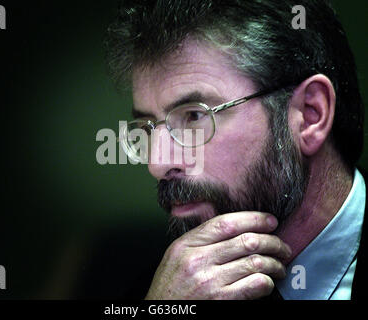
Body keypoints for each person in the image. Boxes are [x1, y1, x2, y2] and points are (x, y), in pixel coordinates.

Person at [105, 0, 366, 300]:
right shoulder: (160, 289)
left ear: (310, 115)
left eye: (193, 116)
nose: (158, 163)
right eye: (147, 127)